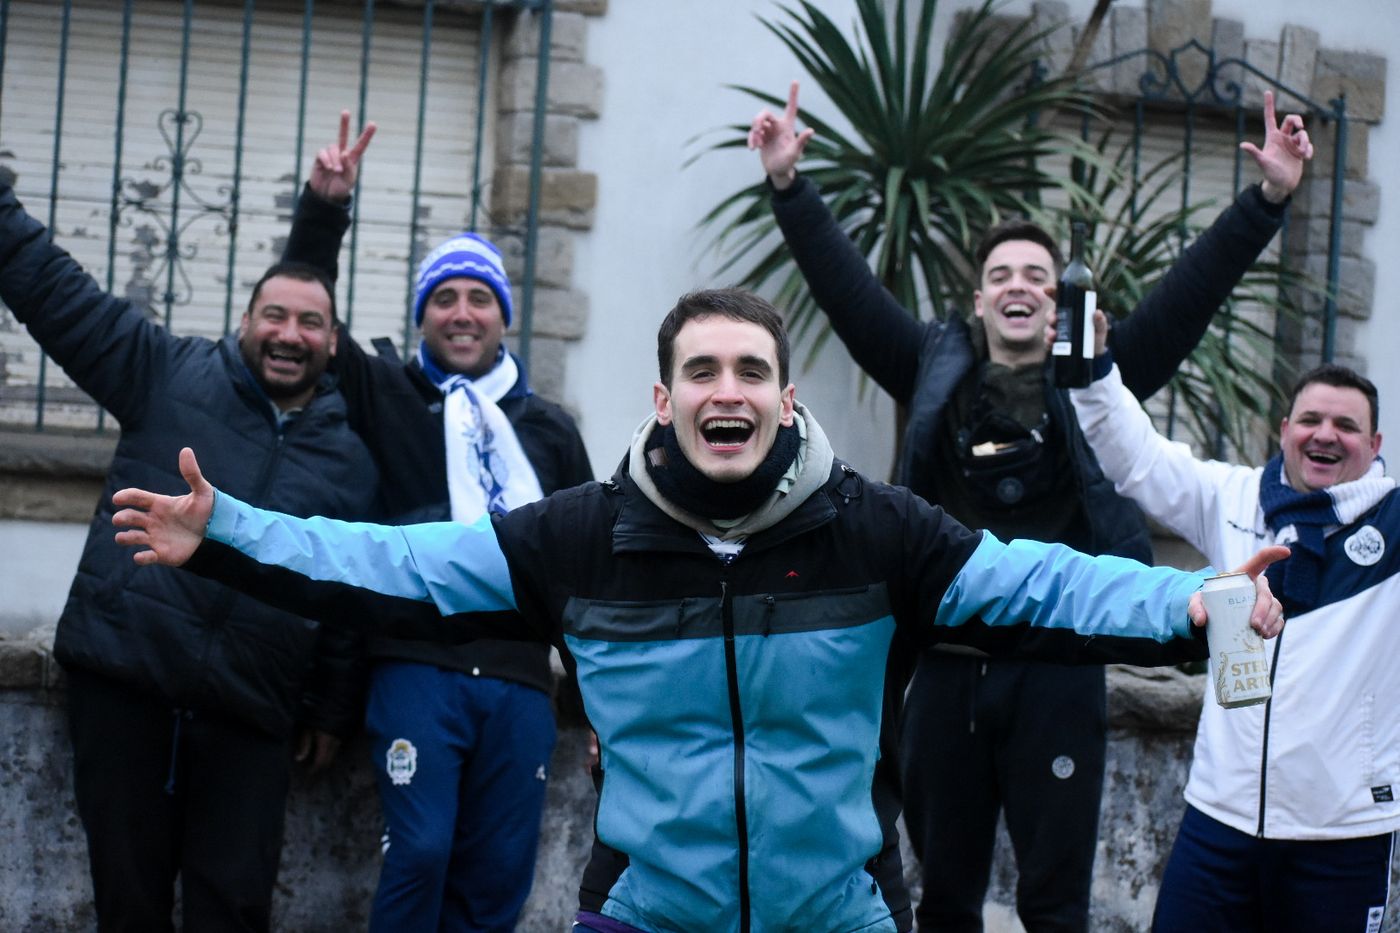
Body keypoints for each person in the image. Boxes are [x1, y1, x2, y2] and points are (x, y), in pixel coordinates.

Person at [111, 288, 1286, 933]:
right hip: (644, 909)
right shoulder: (577, 536)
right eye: (704, 372)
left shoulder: (877, 529)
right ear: (664, 398)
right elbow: (395, 565)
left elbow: (1045, 580)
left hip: (835, 910)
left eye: (751, 373)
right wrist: (226, 533)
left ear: (783, 401)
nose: (728, 391)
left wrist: (1191, 598)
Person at [747, 83, 1313, 932]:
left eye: (1037, 278)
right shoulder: (932, 366)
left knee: (1056, 903)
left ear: (1059, 307)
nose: (1018, 286)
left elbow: (1188, 298)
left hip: (1059, 669)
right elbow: (848, 291)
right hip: (946, 665)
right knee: (943, 898)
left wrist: (1267, 197)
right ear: (978, 301)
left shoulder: (1096, 384)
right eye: (1000, 275)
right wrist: (791, 185)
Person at [0, 181, 378, 930]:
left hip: (248, 713)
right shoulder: (165, 372)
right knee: (128, 903)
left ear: (333, 342)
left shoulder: (352, 461)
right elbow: (53, 292)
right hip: (125, 685)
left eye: (311, 321)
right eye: (273, 314)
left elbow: (348, 591)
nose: (290, 332)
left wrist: (332, 706)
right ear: (243, 321)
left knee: (233, 910)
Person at [282, 113, 594, 931]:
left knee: (497, 875)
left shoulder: (551, 428)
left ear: (504, 316)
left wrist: (603, 707)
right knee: (419, 852)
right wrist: (324, 210)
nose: (462, 312)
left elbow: (590, 573)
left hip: (522, 682)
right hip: (417, 666)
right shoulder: (392, 396)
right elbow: (307, 312)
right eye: (445, 297)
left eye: (479, 297)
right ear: (423, 315)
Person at [1071, 321, 1398, 931]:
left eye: (1346, 426)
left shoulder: (1396, 526)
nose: (1325, 435)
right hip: (1218, 820)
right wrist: (1092, 369)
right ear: (1285, 432)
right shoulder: (1236, 497)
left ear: (1373, 442)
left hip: (1343, 834)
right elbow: (1137, 458)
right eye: (1310, 420)